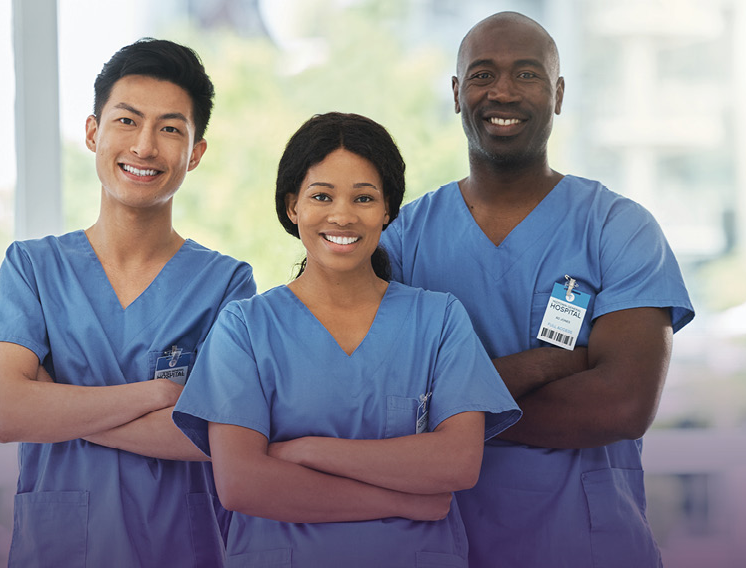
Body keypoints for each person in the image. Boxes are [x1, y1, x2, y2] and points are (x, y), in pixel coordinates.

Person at [379, 12, 695, 568]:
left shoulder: (616, 228)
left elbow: (622, 403)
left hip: (589, 546)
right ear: (457, 94)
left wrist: (451, 411)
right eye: (482, 75)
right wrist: (547, 365)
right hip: (444, 546)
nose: (502, 90)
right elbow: (385, 407)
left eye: (526, 74)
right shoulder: (402, 239)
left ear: (559, 93)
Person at [172, 112, 521, 567]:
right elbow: (243, 483)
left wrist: (311, 451)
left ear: (388, 210)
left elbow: (457, 462)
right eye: (321, 196)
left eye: (363, 197)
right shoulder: (245, 327)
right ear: (292, 206)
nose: (342, 215)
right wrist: (402, 500)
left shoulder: (438, 320)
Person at [0, 39, 255, 567]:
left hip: (180, 551)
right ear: (94, 132)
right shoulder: (32, 269)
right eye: (126, 121)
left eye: (170, 128)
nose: (144, 146)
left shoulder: (226, 284)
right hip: (59, 551)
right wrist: (162, 393)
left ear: (195, 153)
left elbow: (215, 438)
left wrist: (55, 407)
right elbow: (8, 413)